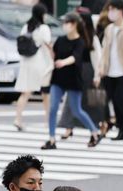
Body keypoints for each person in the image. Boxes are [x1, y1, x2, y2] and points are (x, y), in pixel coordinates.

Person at [42, 13, 104, 151]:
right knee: (53, 108)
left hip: (73, 79)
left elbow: (76, 57)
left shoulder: (80, 42)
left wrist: (63, 62)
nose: (64, 25)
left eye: (67, 22)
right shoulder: (60, 40)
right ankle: (51, 139)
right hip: (58, 78)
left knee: (77, 110)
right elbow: (55, 56)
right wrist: (49, 49)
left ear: (74, 24)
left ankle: (95, 132)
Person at [58, 9, 107, 139]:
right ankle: (69, 127)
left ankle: (98, 126)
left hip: (88, 71)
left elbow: (98, 57)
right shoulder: (74, 36)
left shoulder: (92, 37)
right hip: (76, 70)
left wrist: (97, 75)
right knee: (71, 101)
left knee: (92, 102)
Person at [96, 0, 123, 140]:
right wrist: (101, 68)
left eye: (113, 9)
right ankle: (121, 129)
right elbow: (104, 51)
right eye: (109, 10)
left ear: (121, 11)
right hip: (109, 71)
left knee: (120, 100)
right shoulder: (109, 29)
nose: (110, 13)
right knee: (113, 101)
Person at [14, 4, 53, 132]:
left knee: (25, 92)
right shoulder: (44, 28)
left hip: (26, 62)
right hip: (39, 62)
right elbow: (48, 44)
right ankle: (48, 120)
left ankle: (17, 119)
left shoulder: (26, 26)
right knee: (45, 92)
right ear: (42, 14)